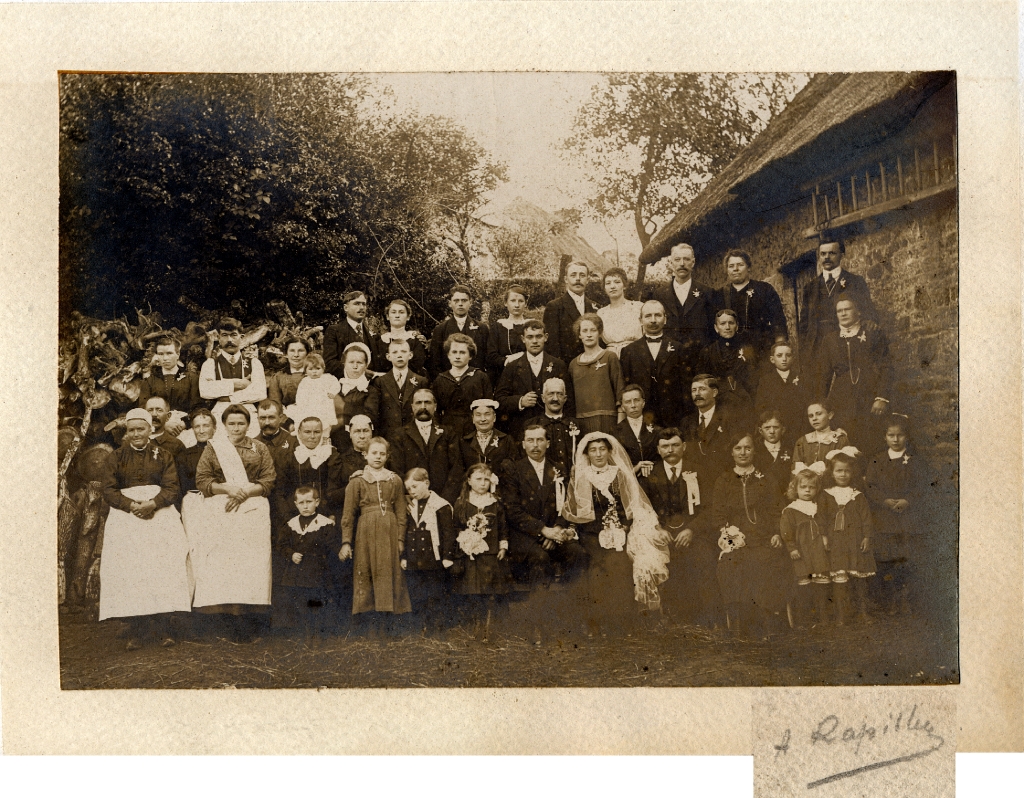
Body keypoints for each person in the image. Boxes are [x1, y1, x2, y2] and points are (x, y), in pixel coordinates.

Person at [98, 408, 191, 650]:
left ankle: (163, 628)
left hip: (159, 516)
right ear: (126, 433)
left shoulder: (164, 455)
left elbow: (172, 487)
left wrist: (153, 503)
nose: (137, 433)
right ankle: (136, 630)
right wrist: (130, 505)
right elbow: (108, 490)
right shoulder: (115, 457)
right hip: (126, 518)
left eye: (142, 428)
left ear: (151, 430)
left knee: (161, 568)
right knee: (132, 571)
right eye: (132, 430)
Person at [561, 433, 671, 636]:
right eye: (593, 450)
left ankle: (620, 622)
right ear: (587, 453)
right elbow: (577, 511)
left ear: (610, 451)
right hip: (591, 532)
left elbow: (631, 506)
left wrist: (622, 528)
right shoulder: (582, 475)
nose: (598, 454)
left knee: (619, 564)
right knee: (596, 565)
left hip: (619, 531)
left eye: (602, 449)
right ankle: (598, 622)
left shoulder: (619, 473)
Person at [191, 403, 276, 641]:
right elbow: (203, 480)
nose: (237, 427)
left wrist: (244, 493)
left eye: (241, 423)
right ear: (225, 425)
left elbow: (268, 480)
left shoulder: (259, 448)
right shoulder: (214, 448)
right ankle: (225, 623)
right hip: (222, 511)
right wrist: (227, 488)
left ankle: (250, 622)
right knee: (225, 567)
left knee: (251, 567)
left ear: (249, 425)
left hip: (252, 510)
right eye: (232, 423)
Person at [502, 423, 588, 641]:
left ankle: (571, 617)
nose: (535, 445)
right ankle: (538, 623)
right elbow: (512, 510)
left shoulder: (558, 468)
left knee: (578, 554)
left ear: (548, 443)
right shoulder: (514, 470)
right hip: (525, 536)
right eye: (530, 440)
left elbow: (568, 503)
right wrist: (543, 531)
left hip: (555, 532)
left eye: (540, 440)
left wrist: (557, 528)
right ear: (523, 444)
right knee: (539, 559)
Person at [638, 428, 721, 628]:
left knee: (704, 556)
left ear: (684, 447)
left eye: (675, 445)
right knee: (654, 560)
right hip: (662, 534)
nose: (670, 450)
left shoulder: (699, 471)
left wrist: (691, 530)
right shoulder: (651, 475)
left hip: (693, 532)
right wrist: (657, 529)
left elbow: (710, 508)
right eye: (665, 446)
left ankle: (711, 619)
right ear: (658, 450)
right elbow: (643, 509)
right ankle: (664, 617)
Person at [712, 431, 789, 637]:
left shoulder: (766, 479)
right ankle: (737, 623)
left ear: (754, 451)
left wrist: (776, 533)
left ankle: (768, 622)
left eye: (747, 448)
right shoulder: (724, 480)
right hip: (736, 539)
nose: (743, 452)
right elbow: (718, 515)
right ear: (731, 452)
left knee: (767, 561)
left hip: (763, 537)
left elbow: (776, 510)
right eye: (738, 448)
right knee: (730, 563)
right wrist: (729, 536)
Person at [339, 437, 412, 633]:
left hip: (389, 530)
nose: (378, 457)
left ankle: (388, 620)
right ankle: (367, 620)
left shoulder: (394, 480)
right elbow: (348, 514)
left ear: (387, 456)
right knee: (365, 569)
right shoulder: (357, 481)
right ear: (365, 455)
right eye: (374, 453)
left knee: (389, 571)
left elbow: (401, 513)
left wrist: (400, 539)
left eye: (382, 454)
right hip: (365, 531)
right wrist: (346, 541)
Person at [864, 416, 926, 616]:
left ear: (906, 436)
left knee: (906, 560)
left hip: (907, 519)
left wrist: (908, 501)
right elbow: (870, 486)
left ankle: (907, 602)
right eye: (891, 435)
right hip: (884, 519)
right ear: (885, 437)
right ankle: (888, 602)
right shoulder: (877, 459)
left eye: (900, 435)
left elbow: (922, 486)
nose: (896, 439)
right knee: (886, 559)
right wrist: (884, 501)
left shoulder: (915, 460)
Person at [817, 296, 893, 452]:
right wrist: (821, 406)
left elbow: (886, 367)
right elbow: (823, 376)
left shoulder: (872, 334)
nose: (843, 313)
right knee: (844, 445)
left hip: (868, 397)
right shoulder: (830, 340)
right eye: (839, 311)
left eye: (847, 309)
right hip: (841, 401)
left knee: (871, 442)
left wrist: (881, 397)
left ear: (858, 312)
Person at [451, 462, 511, 641]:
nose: (483, 483)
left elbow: (502, 526)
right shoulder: (462, 502)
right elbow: (456, 526)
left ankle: (488, 626)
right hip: (470, 553)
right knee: (472, 590)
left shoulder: (495, 503)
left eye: (486, 479)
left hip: (490, 553)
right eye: (478, 479)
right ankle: (474, 626)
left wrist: (502, 545)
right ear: (469, 481)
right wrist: (464, 541)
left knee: (488, 590)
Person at [798, 238, 877, 372]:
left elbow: (869, 314)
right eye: (823, 254)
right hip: (817, 348)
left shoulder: (855, 282)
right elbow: (804, 324)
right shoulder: (810, 287)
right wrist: (805, 352)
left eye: (832, 253)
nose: (826, 258)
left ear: (842, 255)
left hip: (846, 344)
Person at [272, 485, 342, 639]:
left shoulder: (324, 524)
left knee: (315, 602)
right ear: (296, 504)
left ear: (317, 502)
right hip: (296, 573)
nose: (305, 506)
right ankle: (306, 632)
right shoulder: (291, 524)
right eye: (301, 503)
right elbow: (281, 545)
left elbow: (332, 545)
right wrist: (291, 554)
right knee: (300, 602)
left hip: (316, 572)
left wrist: (340, 550)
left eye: (309, 502)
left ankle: (317, 632)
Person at [494, 319, 570, 443]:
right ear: (523, 339)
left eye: (538, 336)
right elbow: (499, 399)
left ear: (545, 337)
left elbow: (568, 399)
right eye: (530, 337)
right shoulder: (512, 366)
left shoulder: (558, 365)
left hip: (553, 429)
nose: (534, 341)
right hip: (522, 429)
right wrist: (520, 401)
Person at [822, 448, 875, 625]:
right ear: (832, 472)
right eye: (839, 470)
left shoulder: (857, 495)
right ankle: (841, 615)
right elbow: (821, 517)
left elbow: (866, 518)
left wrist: (866, 537)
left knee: (859, 579)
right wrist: (824, 537)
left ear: (852, 472)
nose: (843, 474)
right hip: (836, 542)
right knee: (840, 580)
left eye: (847, 471)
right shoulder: (826, 494)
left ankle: (863, 612)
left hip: (854, 541)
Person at [401, 468, 455, 635]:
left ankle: (436, 627)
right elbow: (404, 532)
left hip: (433, 557)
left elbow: (448, 533)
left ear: (426, 483)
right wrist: (403, 556)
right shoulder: (409, 505)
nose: (412, 491)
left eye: (415, 486)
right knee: (417, 592)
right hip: (414, 556)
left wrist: (447, 556)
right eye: (408, 488)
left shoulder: (441, 506)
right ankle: (421, 626)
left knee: (435, 591)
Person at [619, 300, 689, 426]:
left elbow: (685, 386)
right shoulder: (629, 351)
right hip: (642, 417)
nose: (653, 320)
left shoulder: (678, 348)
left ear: (665, 319)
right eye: (648, 316)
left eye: (657, 315)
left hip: (673, 415)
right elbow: (625, 386)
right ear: (640, 320)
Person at [780, 465, 831, 628]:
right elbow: (786, 531)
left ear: (817, 489)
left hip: (817, 552)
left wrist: (824, 536)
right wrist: (791, 548)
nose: (807, 491)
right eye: (803, 487)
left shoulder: (818, 507)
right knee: (804, 587)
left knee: (820, 586)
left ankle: (822, 618)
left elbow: (823, 523)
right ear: (795, 488)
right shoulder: (791, 510)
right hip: (802, 553)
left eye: (811, 487)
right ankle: (803, 619)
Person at [198, 318, 267, 439]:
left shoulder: (254, 363)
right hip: (220, 412)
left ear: (242, 337)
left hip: (248, 411)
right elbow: (205, 390)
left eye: (234, 335)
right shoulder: (210, 364)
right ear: (218, 338)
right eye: (224, 335)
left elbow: (260, 392)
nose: (229, 340)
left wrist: (227, 396)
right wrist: (238, 384)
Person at [387, 389, 456, 510]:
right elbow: (396, 468)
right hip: (413, 502)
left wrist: (444, 500)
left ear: (435, 406)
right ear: (412, 407)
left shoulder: (448, 433)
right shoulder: (400, 435)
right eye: (419, 403)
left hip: (443, 500)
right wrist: (407, 494)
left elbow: (456, 468)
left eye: (427, 402)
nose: (423, 407)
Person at [714, 250, 788, 359]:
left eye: (740, 265)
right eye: (731, 266)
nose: (735, 269)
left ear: (748, 267)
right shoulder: (719, 295)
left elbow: (778, 322)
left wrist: (779, 348)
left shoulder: (764, 290)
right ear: (727, 270)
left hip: (762, 351)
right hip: (732, 353)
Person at [652, 243, 715, 368]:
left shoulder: (707, 292)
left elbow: (713, 328)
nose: (682, 263)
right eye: (677, 259)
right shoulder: (659, 294)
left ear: (693, 262)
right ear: (671, 263)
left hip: (700, 358)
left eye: (686, 259)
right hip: (670, 359)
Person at [273, 416, 344, 525]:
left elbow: (333, 489)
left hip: (324, 513)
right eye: (307, 432)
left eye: (316, 432)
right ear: (299, 433)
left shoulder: (331, 455)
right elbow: (281, 491)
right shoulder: (289, 456)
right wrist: (288, 518)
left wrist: (331, 514)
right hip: (294, 514)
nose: (312, 436)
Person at [446, 398, 517, 501]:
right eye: (478, 415)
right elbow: (458, 472)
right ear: (473, 419)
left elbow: (512, 470)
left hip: (500, 495)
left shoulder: (506, 441)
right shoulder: (464, 442)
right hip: (471, 496)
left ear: (494, 418)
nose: (483, 419)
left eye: (487, 414)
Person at [567, 313, 624, 436]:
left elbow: (619, 388)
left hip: (608, 417)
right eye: (585, 330)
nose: (588, 334)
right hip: (582, 420)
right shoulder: (573, 364)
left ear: (600, 333)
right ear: (579, 335)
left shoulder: (609, 357)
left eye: (593, 330)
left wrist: (620, 418)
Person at [364, 337, 428, 442]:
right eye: (395, 352)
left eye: (403, 351)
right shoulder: (380, 382)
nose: (399, 355)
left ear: (410, 355)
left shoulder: (421, 381)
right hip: (388, 437)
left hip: (415, 437)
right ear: (388, 356)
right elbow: (373, 412)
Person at [680, 375, 737, 490]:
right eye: (694, 390)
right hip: (696, 485)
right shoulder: (686, 422)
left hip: (723, 483)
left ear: (714, 392)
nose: (697, 394)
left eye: (702, 389)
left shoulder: (728, 419)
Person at [431, 332, 493, 439]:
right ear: (448, 355)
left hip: (474, 429)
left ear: (470, 356)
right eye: (454, 352)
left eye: (462, 352)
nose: (458, 356)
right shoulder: (440, 379)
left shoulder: (480, 377)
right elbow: (435, 410)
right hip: (447, 430)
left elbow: (489, 405)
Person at [696, 308, 757, 417]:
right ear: (716, 328)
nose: (727, 327)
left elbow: (753, 382)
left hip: (743, 405)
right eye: (723, 323)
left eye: (731, 323)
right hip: (718, 407)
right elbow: (702, 384)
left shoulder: (747, 350)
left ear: (737, 326)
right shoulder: (707, 352)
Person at [137, 336, 202, 433]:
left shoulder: (191, 378)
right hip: (157, 428)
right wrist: (163, 424)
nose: (165, 358)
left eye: (169, 353)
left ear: (178, 354)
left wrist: (184, 424)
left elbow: (198, 407)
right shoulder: (149, 381)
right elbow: (143, 409)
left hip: (185, 428)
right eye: (161, 354)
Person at [754, 341, 810, 447]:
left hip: (797, 428)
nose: (784, 359)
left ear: (793, 358)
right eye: (779, 356)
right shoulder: (766, 381)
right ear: (772, 359)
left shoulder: (801, 379)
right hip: (775, 430)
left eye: (788, 355)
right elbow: (761, 407)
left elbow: (806, 404)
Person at [543, 260, 600, 363]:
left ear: (587, 280)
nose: (578, 279)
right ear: (566, 279)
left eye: (582, 275)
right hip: (567, 367)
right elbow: (552, 345)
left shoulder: (595, 307)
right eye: (573, 275)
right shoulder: (554, 307)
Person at [428, 284, 489, 377]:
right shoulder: (440, 329)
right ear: (450, 303)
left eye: (464, 300)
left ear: (470, 302)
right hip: (448, 382)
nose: (460, 304)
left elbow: (487, 360)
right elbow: (434, 362)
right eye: (456, 301)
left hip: (475, 382)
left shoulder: (482, 328)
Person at [286, 353, 340, 444]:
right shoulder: (305, 381)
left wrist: (333, 392)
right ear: (305, 370)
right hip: (310, 408)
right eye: (310, 369)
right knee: (308, 424)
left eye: (318, 369)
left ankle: (325, 441)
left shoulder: (327, 378)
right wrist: (300, 404)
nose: (314, 372)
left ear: (323, 368)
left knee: (325, 427)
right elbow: (300, 395)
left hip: (324, 408)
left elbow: (336, 384)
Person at [330, 343, 373, 449]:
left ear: (366, 365)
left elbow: (370, 416)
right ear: (344, 363)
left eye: (359, 362)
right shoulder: (334, 386)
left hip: (358, 443)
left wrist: (343, 409)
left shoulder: (370, 389)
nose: (355, 366)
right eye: (351, 362)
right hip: (333, 440)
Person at [371, 298, 428, 376]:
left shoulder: (415, 341)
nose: (397, 316)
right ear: (387, 316)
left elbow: (417, 367)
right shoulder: (379, 341)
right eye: (393, 312)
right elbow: (377, 366)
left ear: (408, 317)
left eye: (401, 312)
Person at [534, 378, 582, 471]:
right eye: (551, 394)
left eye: (559, 394)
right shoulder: (534, 425)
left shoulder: (577, 424)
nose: (555, 398)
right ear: (543, 398)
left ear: (565, 399)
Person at [485, 284, 530, 384]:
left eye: (521, 301)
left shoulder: (530, 326)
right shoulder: (498, 326)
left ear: (526, 303)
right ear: (506, 303)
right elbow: (491, 356)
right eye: (513, 301)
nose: (517, 305)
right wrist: (508, 360)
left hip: (528, 375)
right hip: (503, 376)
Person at [323, 291, 373, 378]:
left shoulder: (370, 333)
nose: (361, 307)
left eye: (364, 304)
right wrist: (362, 372)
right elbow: (329, 363)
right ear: (346, 308)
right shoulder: (334, 331)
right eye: (356, 304)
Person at [613, 385, 660, 476]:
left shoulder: (657, 428)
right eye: (628, 402)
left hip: (654, 476)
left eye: (637, 400)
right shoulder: (615, 432)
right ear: (622, 407)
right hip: (630, 478)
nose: (633, 405)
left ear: (643, 403)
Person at [596, 267, 643, 355]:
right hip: (611, 357)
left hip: (635, 355)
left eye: (617, 282)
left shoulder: (638, 307)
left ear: (624, 285)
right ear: (604, 288)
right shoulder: (601, 313)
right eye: (608, 283)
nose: (612, 286)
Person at [792, 400, 849, 468]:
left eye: (819, 414)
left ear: (830, 415)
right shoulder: (802, 441)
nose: (814, 418)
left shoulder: (840, 440)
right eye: (811, 416)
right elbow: (795, 469)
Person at [176, 408, 217, 496]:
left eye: (206, 426)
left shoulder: (224, 452)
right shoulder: (184, 455)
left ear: (214, 428)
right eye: (197, 426)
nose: (201, 431)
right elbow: (182, 488)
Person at [752, 410, 794, 494]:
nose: (772, 431)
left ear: (783, 430)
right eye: (767, 428)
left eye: (776, 427)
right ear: (760, 431)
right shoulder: (755, 452)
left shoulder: (790, 451)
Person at [266, 336, 310, 411]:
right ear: (286, 354)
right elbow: (275, 404)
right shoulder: (278, 377)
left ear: (307, 354)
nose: (296, 355)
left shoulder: (316, 375)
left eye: (301, 351)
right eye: (292, 351)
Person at [254, 398, 293, 476]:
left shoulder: (293, 442)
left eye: (271, 417)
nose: (267, 422)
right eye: (263, 418)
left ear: (280, 418)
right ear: (258, 419)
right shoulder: (253, 444)